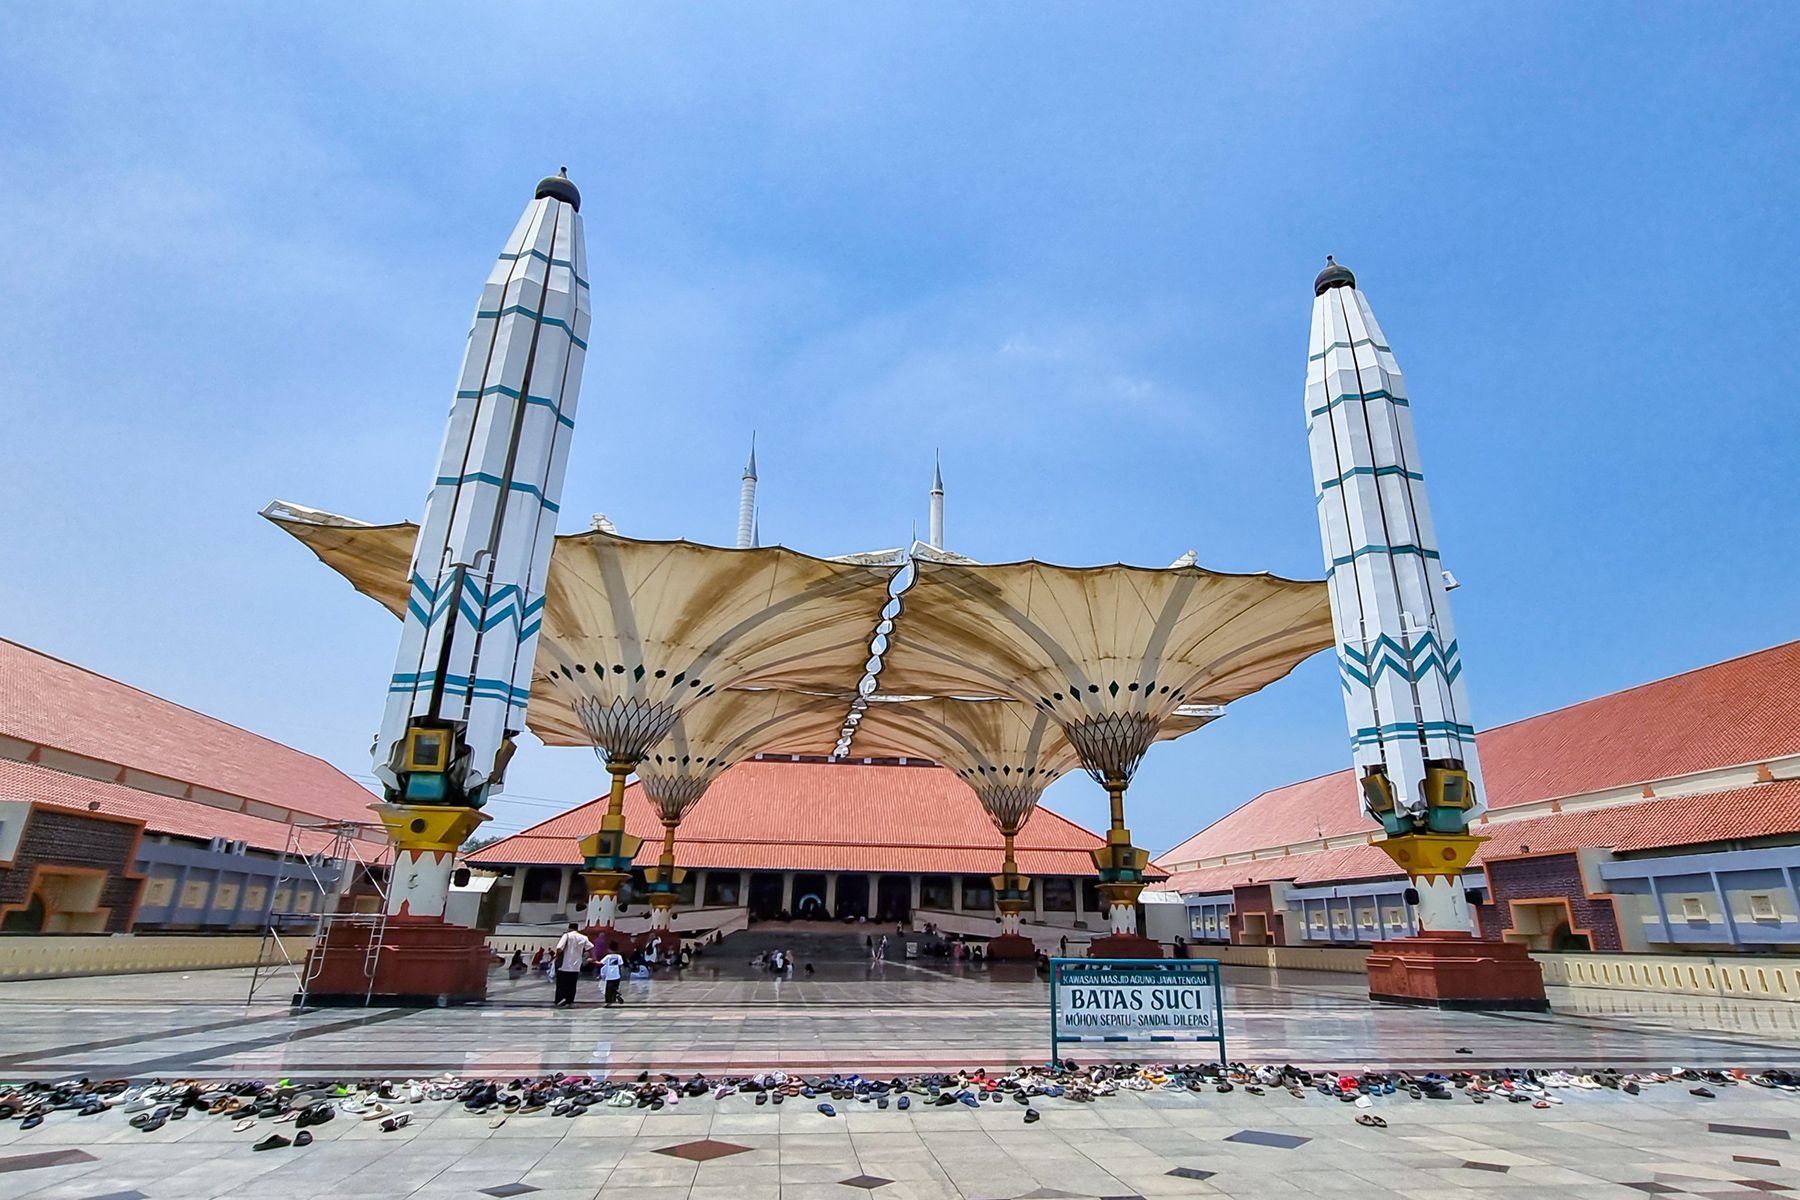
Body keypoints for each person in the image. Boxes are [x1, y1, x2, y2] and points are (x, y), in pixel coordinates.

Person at [551, 923, 592, 1008]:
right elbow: (590, 947)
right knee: (572, 984)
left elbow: (559, 948)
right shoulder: (583, 937)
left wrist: (556, 956)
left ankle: (559, 999)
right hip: (576, 965)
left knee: (561, 984)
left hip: (564, 965)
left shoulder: (567, 936)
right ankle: (569, 1000)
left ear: (569, 928)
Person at [598, 941, 626, 1006]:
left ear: (609, 949)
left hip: (610, 976)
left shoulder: (608, 956)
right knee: (614, 988)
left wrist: (593, 961)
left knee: (608, 990)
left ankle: (608, 1002)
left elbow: (601, 963)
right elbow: (621, 965)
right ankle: (616, 995)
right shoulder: (619, 956)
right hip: (617, 975)